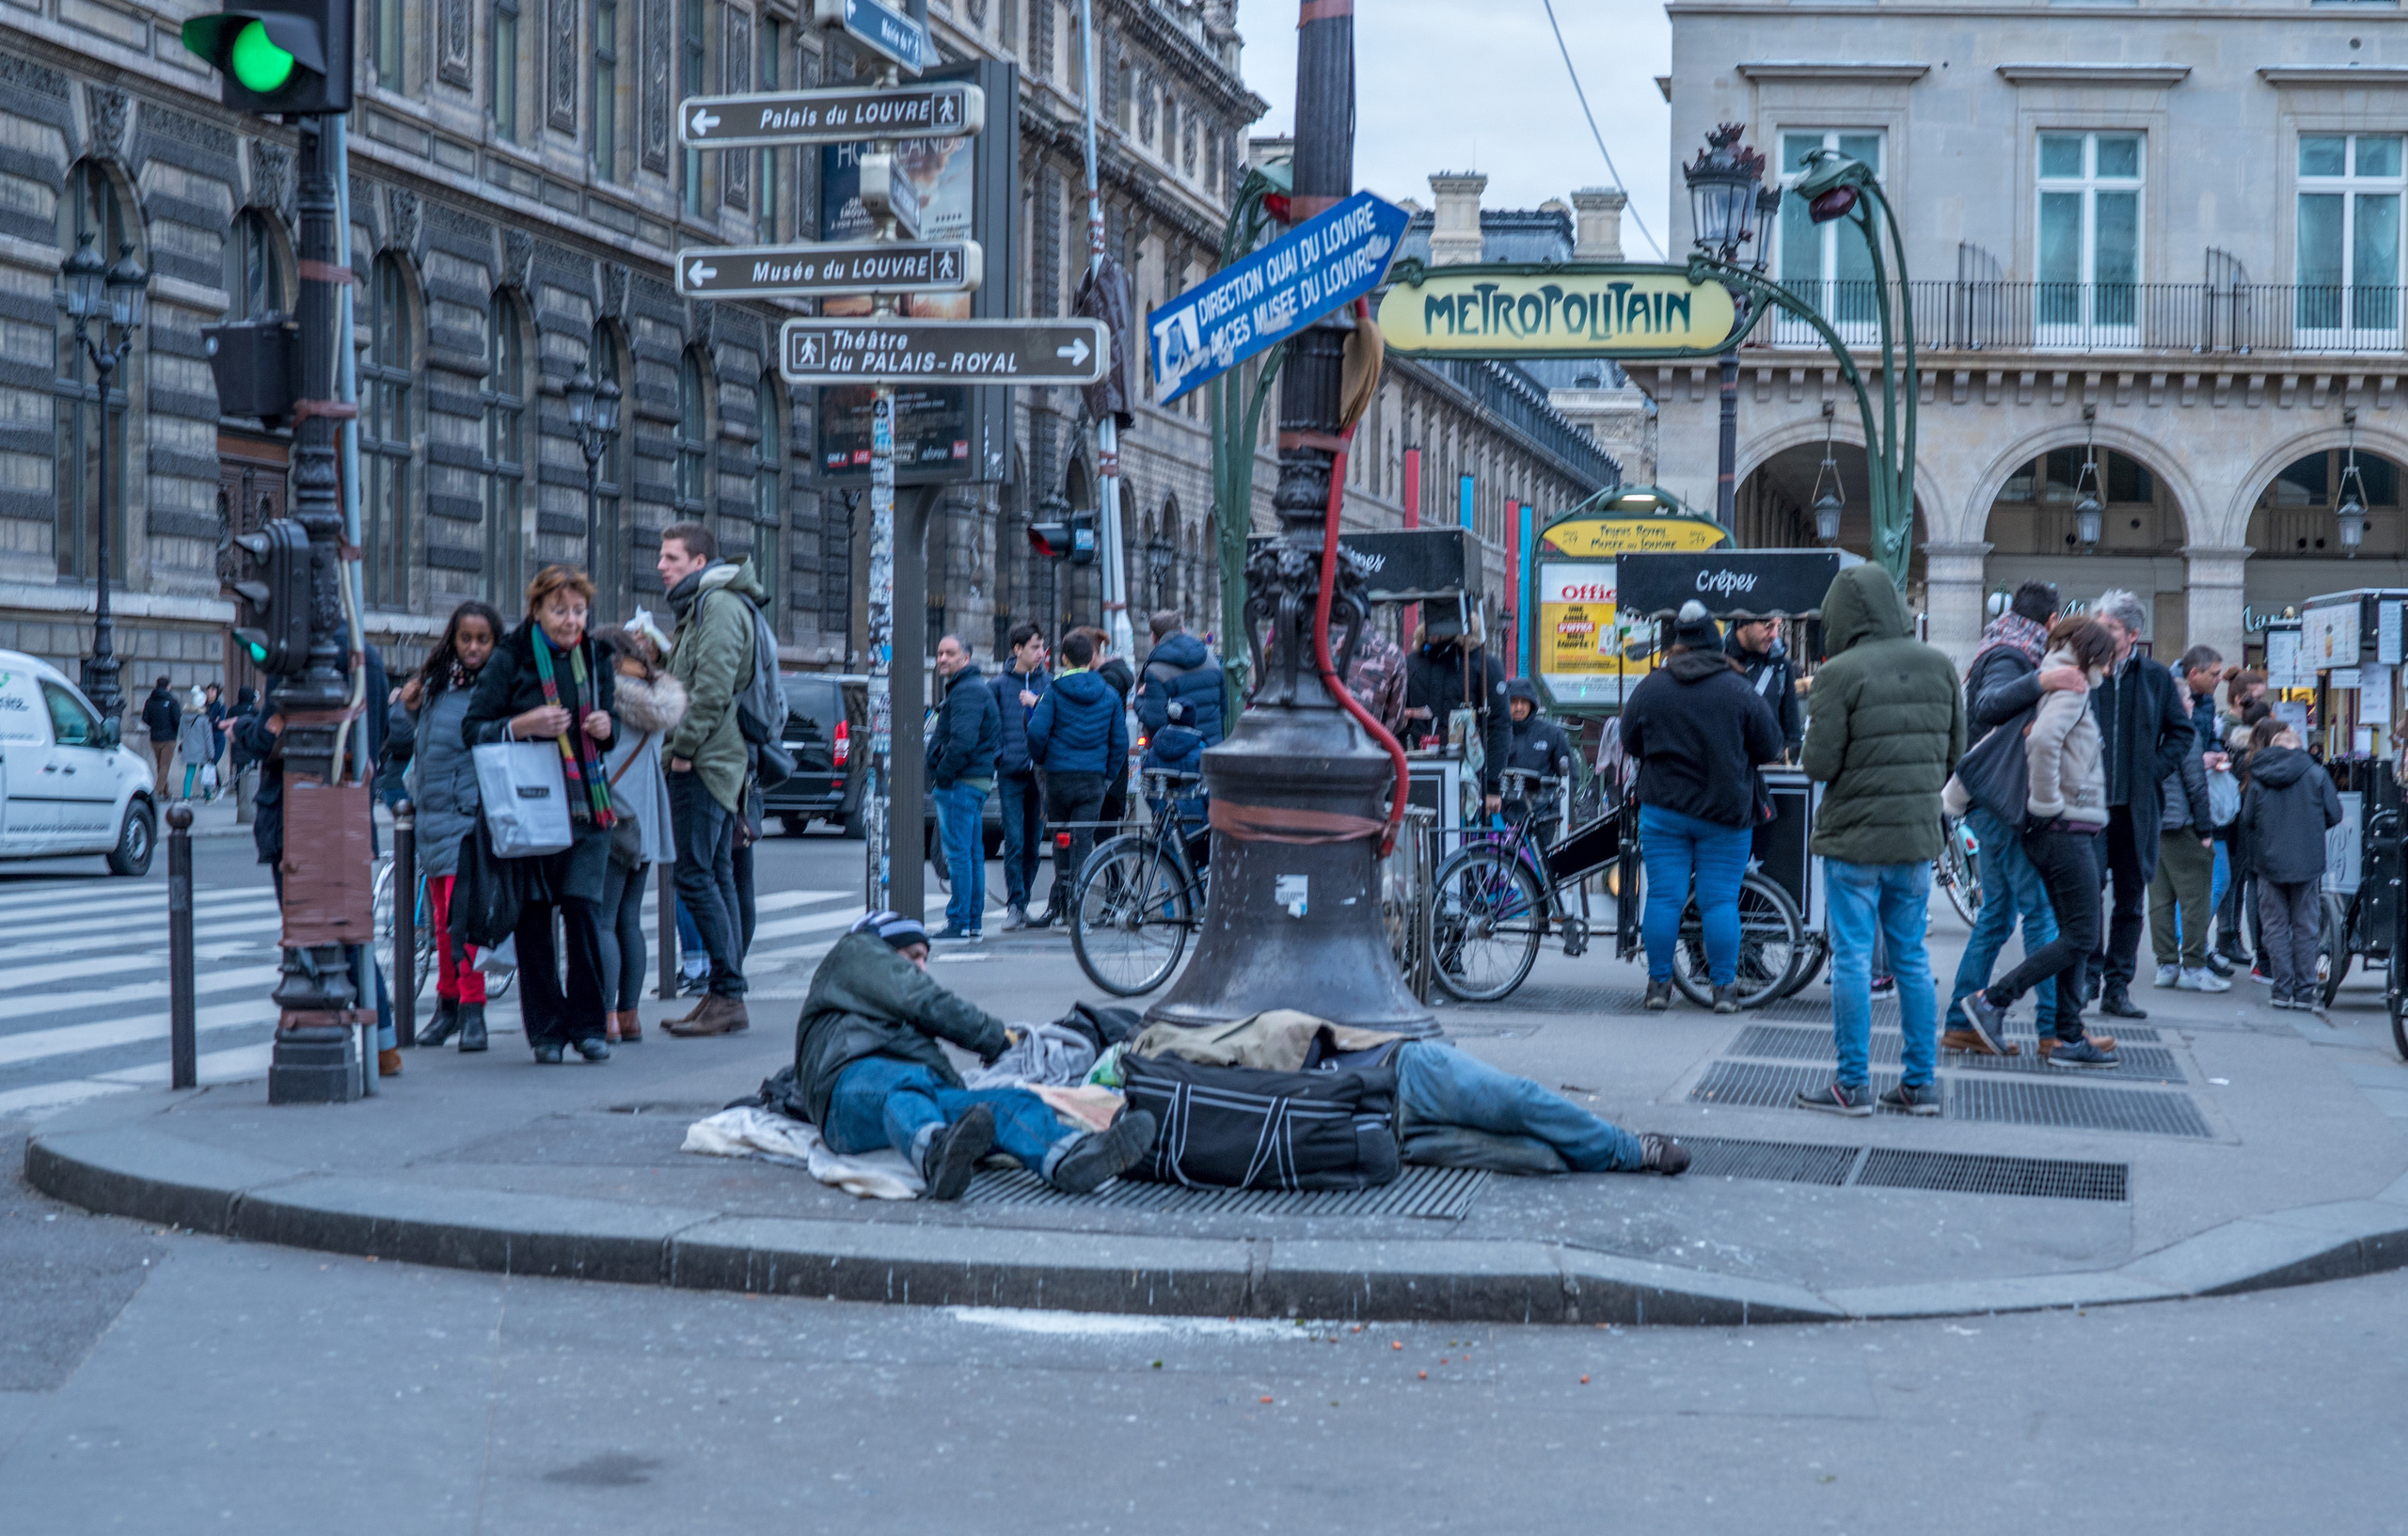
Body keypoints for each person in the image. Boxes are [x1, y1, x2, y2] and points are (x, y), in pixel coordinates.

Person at [794, 911, 1161, 1199]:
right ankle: (935, 1155)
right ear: (884, 951)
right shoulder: (856, 950)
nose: (923, 967)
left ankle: (1071, 1156)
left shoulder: (892, 1014)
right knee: (905, 1083)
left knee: (1004, 1103)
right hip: (846, 1093)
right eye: (913, 956)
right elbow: (926, 1001)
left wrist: (968, 1103)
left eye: (926, 958)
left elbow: (938, 1068)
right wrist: (995, 1038)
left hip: (911, 1096)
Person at [1798, 565, 1965, 1116]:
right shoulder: (1940, 665)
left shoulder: (1839, 673)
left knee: (1851, 960)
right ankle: (1920, 1083)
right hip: (1915, 837)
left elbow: (1819, 764)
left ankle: (1852, 1085)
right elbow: (1954, 755)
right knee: (1911, 957)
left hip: (1853, 838)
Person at [462, 564, 618, 1065]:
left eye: (579, 610)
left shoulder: (597, 656)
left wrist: (606, 727)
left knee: (584, 912)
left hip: (586, 807)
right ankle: (547, 1031)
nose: (572, 620)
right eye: (560, 610)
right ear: (537, 611)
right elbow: (474, 728)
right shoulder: (511, 656)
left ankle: (590, 1026)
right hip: (529, 808)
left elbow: (611, 730)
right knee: (532, 921)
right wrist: (522, 724)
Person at [1962, 616, 2122, 1069]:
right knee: (2082, 935)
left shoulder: (2056, 676)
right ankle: (1993, 1000)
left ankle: (2067, 1036)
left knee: (2074, 934)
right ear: (2094, 654)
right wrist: (2047, 804)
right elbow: (2045, 742)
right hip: (2065, 829)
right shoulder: (2072, 686)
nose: (2111, 668)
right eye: (2109, 659)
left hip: (2059, 829)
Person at [238, 647, 402, 1076]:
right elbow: (379, 734)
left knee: (308, 936)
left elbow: (271, 736)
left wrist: (244, 729)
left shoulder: (297, 655)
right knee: (351, 933)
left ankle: (321, 1037)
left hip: (297, 811)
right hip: (350, 810)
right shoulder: (368, 658)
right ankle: (383, 1043)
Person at [1618, 600, 1784, 1014]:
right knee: (1720, 901)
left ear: (1678, 644)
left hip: (1664, 811)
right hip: (1725, 813)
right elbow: (1770, 746)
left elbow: (1629, 741)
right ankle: (1724, 989)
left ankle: (1658, 986)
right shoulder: (1739, 689)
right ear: (1716, 644)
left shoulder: (1652, 687)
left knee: (1664, 898)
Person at [1942, 581, 2065, 1055]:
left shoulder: (2002, 645)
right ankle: (2053, 1030)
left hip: (1986, 801)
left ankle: (1961, 1023)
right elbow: (1990, 704)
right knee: (2040, 913)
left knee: (1996, 916)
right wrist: (2042, 682)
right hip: (2001, 803)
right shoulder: (2013, 655)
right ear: (2050, 621)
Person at [657, 522, 768, 1037]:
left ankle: (727, 993)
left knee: (695, 874)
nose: (662, 566)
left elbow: (712, 688)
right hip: (716, 758)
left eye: (671, 558)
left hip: (705, 760)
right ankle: (722, 993)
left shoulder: (717, 604)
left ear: (699, 563)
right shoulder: (705, 603)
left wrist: (683, 750)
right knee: (716, 873)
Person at [386, 600, 505, 1053]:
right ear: (452, 641)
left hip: (468, 820)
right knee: (440, 924)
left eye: (482, 640)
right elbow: (423, 743)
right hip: (432, 818)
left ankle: (473, 1011)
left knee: (464, 925)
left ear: (495, 643)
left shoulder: (496, 687)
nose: (473, 647)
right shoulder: (438, 686)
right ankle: (448, 1005)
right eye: (465, 638)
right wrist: (412, 708)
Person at [2079, 590, 2197, 1021]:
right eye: (2098, 626)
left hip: (2136, 809)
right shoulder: (2084, 672)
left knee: (2130, 901)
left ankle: (2117, 986)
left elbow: (2181, 733)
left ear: (2132, 634)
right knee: (2088, 893)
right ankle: (2087, 977)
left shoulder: (2155, 678)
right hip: (2088, 806)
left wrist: (2153, 769)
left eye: (2109, 627)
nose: (2100, 634)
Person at [593, 626, 685, 1044]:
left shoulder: (608, 696)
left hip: (612, 815)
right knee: (629, 918)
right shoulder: (657, 697)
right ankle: (629, 1016)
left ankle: (606, 1016)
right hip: (645, 818)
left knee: (603, 919)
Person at [1026, 628, 1129, 920]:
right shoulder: (1108, 694)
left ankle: (1060, 902)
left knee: (1061, 837)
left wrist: (1043, 761)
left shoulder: (1053, 692)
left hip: (1059, 778)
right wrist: (1108, 776)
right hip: (1093, 780)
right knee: (1083, 841)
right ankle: (1077, 908)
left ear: (1064, 658)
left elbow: (1036, 733)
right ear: (1091, 658)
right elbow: (1120, 742)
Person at [2242, 718, 2344, 1012]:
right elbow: (2335, 814)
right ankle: (2304, 993)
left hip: (2269, 861)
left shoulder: (2259, 776)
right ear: (2299, 749)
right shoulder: (2315, 773)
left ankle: (2281, 990)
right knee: (2306, 927)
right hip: (2308, 862)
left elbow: (2247, 819)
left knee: (2274, 927)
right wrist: (2312, 828)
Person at [2149, 645, 2229, 993]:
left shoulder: (2149, 731)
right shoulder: (2186, 734)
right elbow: (2196, 785)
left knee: (2160, 899)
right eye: (2188, 702)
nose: (2193, 707)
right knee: (2196, 896)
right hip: (2182, 822)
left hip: (2153, 821)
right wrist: (2205, 830)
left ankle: (2166, 965)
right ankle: (2194, 966)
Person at [929, 633, 1001, 942]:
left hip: (961, 782)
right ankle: (971, 922)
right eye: (939, 653)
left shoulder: (967, 691)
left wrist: (943, 774)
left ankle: (959, 922)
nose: (942, 658)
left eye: (949, 653)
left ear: (966, 658)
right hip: (973, 780)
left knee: (959, 854)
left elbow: (962, 741)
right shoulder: (971, 688)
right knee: (971, 853)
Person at [1404, 610, 1511, 814]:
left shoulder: (1484, 664)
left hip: (1468, 777)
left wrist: (1492, 787)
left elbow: (1499, 726)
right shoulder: (1412, 662)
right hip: (1415, 771)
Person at [989, 623, 1052, 931]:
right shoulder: (998, 686)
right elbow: (991, 727)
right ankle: (1015, 904)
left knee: (1033, 845)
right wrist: (1000, 756)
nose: (1041, 653)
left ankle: (1023, 902)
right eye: (1034, 647)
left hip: (1040, 776)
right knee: (1013, 841)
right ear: (1017, 649)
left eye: (1042, 647)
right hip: (1011, 774)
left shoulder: (1049, 684)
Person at [2212, 666, 2269, 970]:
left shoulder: (2233, 727)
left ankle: (2231, 935)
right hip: (2233, 811)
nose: (2260, 705)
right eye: (2256, 698)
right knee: (2232, 876)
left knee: (2239, 876)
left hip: (2240, 809)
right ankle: (2227, 935)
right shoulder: (2229, 730)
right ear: (2239, 699)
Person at [1498, 678, 1575, 849]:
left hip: (1540, 820)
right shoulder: (1498, 734)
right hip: (1502, 820)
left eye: (1524, 702)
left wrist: (1555, 811)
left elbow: (1570, 776)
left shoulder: (1552, 734)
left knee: (1535, 865)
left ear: (1532, 704)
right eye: (1513, 701)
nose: (1518, 707)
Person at [1133, 609, 1227, 747]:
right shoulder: (1211, 660)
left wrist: (1139, 699)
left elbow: (1154, 721)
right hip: (1211, 747)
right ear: (1182, 630)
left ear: (1154, 637)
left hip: (1177, 751)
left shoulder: (1156, 670)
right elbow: (1223, 709)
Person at [1074, 625, 1135, 831]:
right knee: (1104, 834)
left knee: (1101, 835)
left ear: (1091, 654)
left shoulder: (1107, 679)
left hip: (1105, 770)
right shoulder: (1112, 674)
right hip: (1110, 769)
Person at [1723, 613, 1803, 761]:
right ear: (1745, 624)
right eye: (1768, 626)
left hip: (1767, 771)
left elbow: (1792, 736)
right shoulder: (1715, 661)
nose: (1774, 635)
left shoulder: (1781, 667)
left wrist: (1780, 760)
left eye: (1778, 626)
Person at [1139, 697, 1209, 832]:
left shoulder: (1153, 751)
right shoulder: (1201, 751)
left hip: (1163, 819)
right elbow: (1209, 791)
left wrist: (1157, 807)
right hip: (1197, 822)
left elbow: (1148, 788)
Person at [177, 692, 219, 801]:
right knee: (205, 774)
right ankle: (208, 796)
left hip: (188, 749)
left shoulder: (184, 717)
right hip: (202, 751)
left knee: (189, 772)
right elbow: (208, 738)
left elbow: (180, 733)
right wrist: (211, 753)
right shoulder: (204, 719)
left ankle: (186, 797)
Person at [140, 676, 179, 790]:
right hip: (169, 738)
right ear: (168, 686)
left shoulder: (150, 701)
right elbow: (177, 720)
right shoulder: (172, 701)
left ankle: (166, 792)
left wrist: (154, 725)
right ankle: (157, 792)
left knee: (160, 765)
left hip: (154, 738)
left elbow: (145, 718)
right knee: (164, 766)